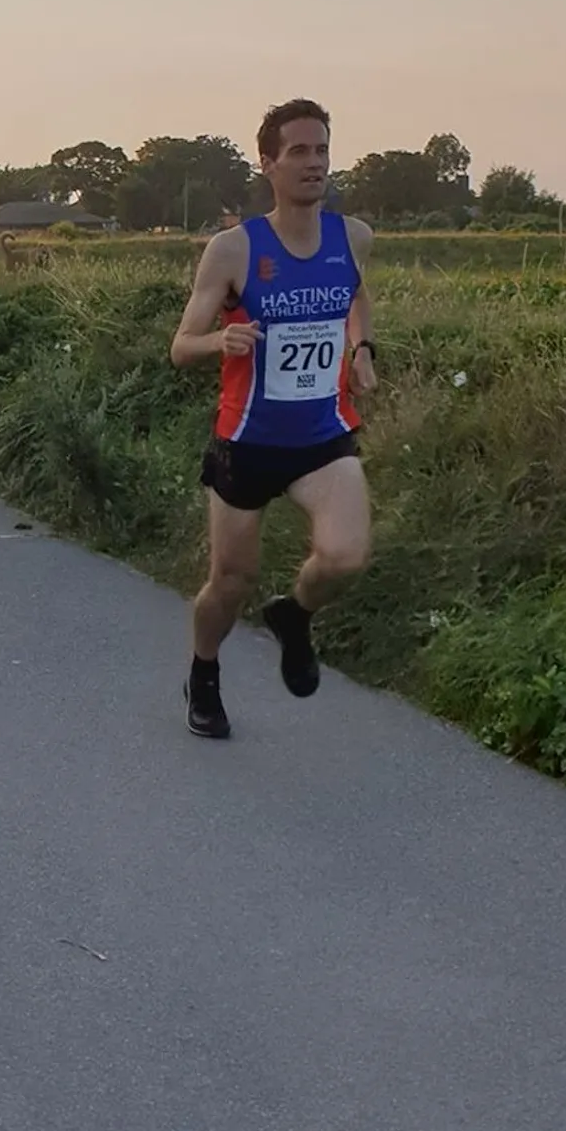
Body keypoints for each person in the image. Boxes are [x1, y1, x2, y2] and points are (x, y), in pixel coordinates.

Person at [170, 98, 377, 740]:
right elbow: (181, 346)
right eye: (299, 152)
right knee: (230, 583)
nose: (314, 164)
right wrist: (218, 343)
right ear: (268, 164)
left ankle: (294, 614)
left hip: (323, 436)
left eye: (322, 151)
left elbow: (356, 295)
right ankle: (204, 672)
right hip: (248, 440)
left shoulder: (354, 236)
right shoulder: (234, 250)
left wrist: (362, 347)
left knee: (344, 556)